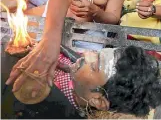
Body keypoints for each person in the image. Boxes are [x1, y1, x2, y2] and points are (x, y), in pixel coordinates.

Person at [3, 46, 161, 118]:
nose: (86, 54)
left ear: (97, 100)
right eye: (97, 52)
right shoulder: (76, 69)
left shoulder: (49, 110)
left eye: (94, 64)